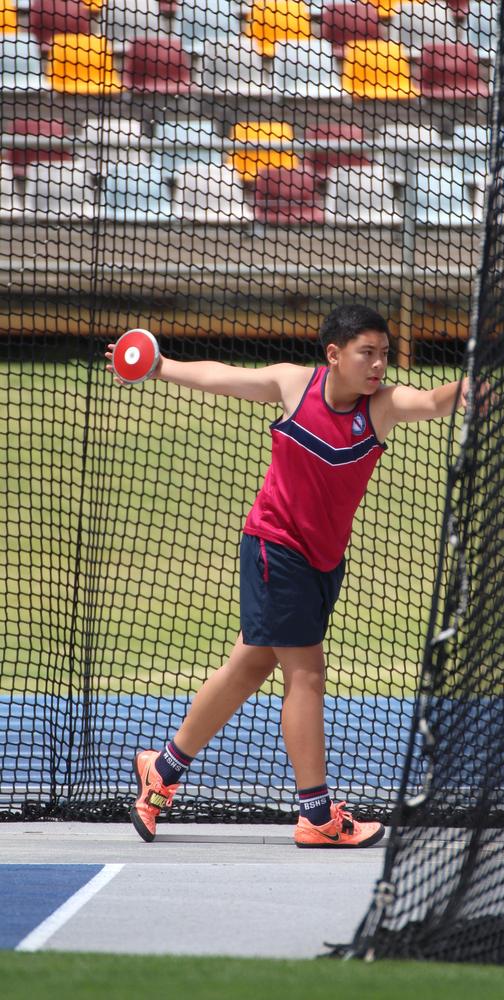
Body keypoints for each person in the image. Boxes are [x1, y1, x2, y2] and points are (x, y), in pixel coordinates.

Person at [105, 304, 469, 848]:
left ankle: (163, 769)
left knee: (248, 666)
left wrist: (466, 388)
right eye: (365, 354)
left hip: (324, 562)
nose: (377, 366)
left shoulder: (382, 407)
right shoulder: (294, 385)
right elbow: (220, 377)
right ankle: (316, 813)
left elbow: (434, 401)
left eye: (383, 355)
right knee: (307, 674)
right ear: (334, 355)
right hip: (275, 548)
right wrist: (161, 366)